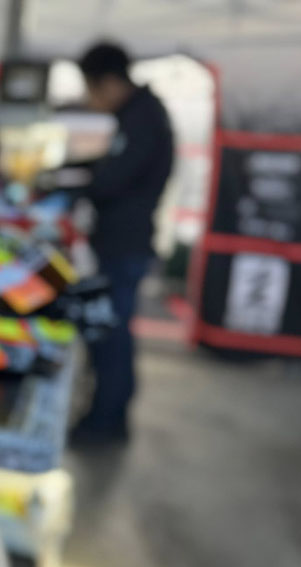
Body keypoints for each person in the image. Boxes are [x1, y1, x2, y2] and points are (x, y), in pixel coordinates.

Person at [70, 41, 174, 447]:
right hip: (119, 242)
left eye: (91, 89)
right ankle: (108, 414)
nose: (91, 100)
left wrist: (77, 184)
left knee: (111, 335)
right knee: (111, 332)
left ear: (110, 82)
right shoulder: (136, 114)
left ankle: (106, 422)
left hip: (124, 246)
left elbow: (113, 179)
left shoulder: (143, 118)